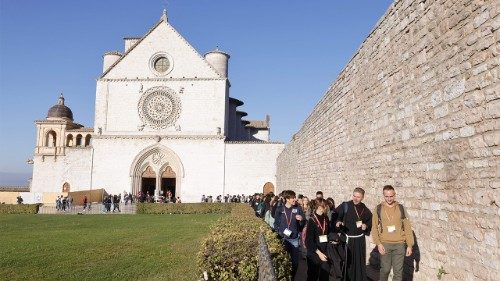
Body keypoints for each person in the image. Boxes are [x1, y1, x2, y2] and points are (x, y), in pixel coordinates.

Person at [371, 185, 414, 281]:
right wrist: (378, 244)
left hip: (399, 244)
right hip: (385, 244)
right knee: (385, 270)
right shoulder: (378, 209)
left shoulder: (401, 208)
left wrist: (410, 245)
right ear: (383, 195)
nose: (389, 198)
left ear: (394, 195)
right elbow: (374, 228)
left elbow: (407, 227)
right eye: (386, 196)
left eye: (391, 196)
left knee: (398, 272)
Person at [335, 188, 372, 281]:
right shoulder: (345, 205)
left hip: (359, 239)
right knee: (348, 262)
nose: (355, 198)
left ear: (362, 197)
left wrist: (366, 225)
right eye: (354, 196)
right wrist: (338, 222)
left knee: (359, 261)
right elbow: (335, 214)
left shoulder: (364, 208)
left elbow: (370, 219)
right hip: (348, 239)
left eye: (358, 197)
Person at [274, 190, 305, 278]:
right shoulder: (280, 209)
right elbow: (276, 223)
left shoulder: (298, 209)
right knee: (284, 261)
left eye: (295, 197)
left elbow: (303, 223)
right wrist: (279, 232)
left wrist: (302, 220)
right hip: (283, 239)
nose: (295, 199)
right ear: (287, 199)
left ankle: (292, 277)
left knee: (295, 262)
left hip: (295, 239)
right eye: (293, 198)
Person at [305, 198, 331, 281]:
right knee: (313, 276)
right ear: (319, 207)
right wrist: (319, 253)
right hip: (314, 252)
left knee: (325, 275)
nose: (327, 208)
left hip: (325, 251)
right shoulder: (312, 220)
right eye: (325, 206)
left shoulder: (325, 218)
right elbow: (308, 241)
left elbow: (328, 233)